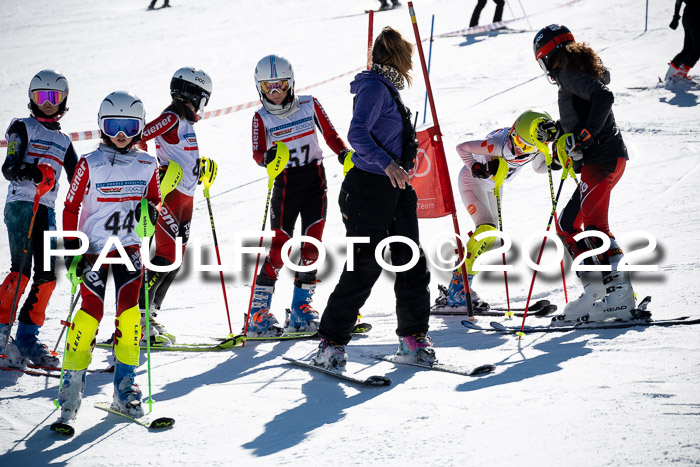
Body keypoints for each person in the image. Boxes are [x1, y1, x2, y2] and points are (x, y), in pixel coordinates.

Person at [315, 26, 433, 370]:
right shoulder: (373, 88)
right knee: (365, 265)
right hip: (368, 188)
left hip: (396, 191)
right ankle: (331, 342)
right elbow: (356, 133)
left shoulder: (384, 88)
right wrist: (387, 165)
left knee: (411, 262)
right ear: (399, 58)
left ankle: (413, 337)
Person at [59, 91, 160, 421]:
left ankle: (125, 386)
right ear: (102, 126)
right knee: (91, 313)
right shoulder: (90, 163)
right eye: (113, 125)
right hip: (93, 250)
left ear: (140, 128)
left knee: (130, 316)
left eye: (129, 126)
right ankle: (71, 383)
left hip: (129, 248)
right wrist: (72, 251)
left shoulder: (147, 163)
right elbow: (71, 207)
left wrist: (152, 213)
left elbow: (154, 200)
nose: (120, 134)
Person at [533, 24, 642, 324]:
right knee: (568, 223)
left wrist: (583, 136)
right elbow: (583, 108)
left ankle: (618, 297)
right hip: (602, 160)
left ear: (547, 57)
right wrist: (561, 130)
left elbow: (603, 99)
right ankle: (596, 292)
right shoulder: (575, 72)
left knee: (593, 225)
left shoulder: (567, 72)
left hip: (602, 160)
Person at [248, 54, 351, 337]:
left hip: (314, 181)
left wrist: (344, 153)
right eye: (269, 87)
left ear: (290, 82)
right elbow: (257, 152)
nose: (276, 92)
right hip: (285, 184)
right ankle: (258, 312)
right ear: (260, 88)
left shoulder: (309, 103)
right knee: (280, 249)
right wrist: (266, 158)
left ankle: (301, 308)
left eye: (280, 84)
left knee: (311, 246)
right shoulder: (261, 117)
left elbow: (330, 135)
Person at [434, 110, 551, 313]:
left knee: (491, 236)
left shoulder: (535, 146)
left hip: (494, 185)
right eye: (518, 142)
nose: (520, 149)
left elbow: (540, 167)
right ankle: (458, 288)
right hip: (473, 182)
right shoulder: (497, 144)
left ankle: (459, 285)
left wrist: (555, 161)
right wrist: (475, 166)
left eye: (527, 146)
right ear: (513, 132)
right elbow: (461, 147)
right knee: (486, 230)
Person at [0, 70, 78, 367]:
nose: (47, 103)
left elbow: (78, 178)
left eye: (54, 97)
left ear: (63, 100)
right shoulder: (23, 127)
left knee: (47, 275)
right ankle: (0, 330)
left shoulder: (64, 140)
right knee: (20, 270)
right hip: (22, 203)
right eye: (41, 96)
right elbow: (9, 167)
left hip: (47, 208)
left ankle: (27, 337)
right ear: (32, 98)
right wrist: (33, 172)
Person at [137, 67, 213, 345]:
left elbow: (182, 154)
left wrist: (200, 168)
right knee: (165, 258)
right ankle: (137, 322)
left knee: (175, 261)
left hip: (186, 199)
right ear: (194, 95)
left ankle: (150, 316)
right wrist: (148, 173)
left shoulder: (185, 123)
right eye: (203, 99)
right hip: (169, 196)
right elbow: (141, 136)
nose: (203, 105)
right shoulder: (171, 117)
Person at [665, 0, 700, 85]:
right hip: (696, 17)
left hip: (688, 15)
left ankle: (671, 74)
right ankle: (680, 76)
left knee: (687, 49)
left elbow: (678, 1)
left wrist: (676, 17)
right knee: (697, 49)